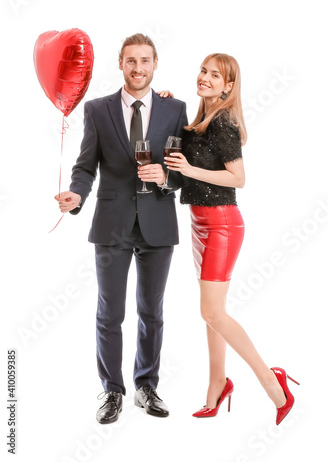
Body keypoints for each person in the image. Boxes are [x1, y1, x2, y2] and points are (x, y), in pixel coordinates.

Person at [55, 33, 187, 423]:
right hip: (112, 225)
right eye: (131, 61)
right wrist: (77, 195)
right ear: (120, 64)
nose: (138, 68)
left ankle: (146, 386)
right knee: (109, 314)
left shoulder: (175, 108)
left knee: (153, 313)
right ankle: (112, 391)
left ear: (155, 63)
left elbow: (185, 175)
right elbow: (84, 166)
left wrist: (164, 176)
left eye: (145, 61)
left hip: (158, 225)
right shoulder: (97, 110)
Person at [165, 53, 299, 425]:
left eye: (215, 75)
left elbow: (238, 178)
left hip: (222, 224)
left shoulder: (223, 123)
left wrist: (189, 168)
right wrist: (166, 104)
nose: (205, 78)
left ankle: (275, 384)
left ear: (229, 86)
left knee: (211, 312)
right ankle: (217, 384)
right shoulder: (199, 123)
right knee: (213, 313)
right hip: (198, 223)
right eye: (203, 71)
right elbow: (184, 165)